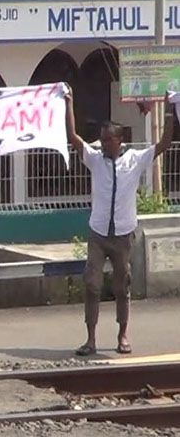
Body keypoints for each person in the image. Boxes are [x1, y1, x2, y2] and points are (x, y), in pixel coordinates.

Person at [66, 89, 175, 356]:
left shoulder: (135, 160)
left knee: (121, 285)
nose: (102, 144)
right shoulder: (95, 160)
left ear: (119, 140)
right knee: (91, 283)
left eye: (107, 140)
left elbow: (164, 143)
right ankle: (90, 339)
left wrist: (171, 109)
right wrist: (68, 102)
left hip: (123, 235)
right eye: (101, 140)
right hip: (98, 233)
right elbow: (73, 138)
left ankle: (122, 335)